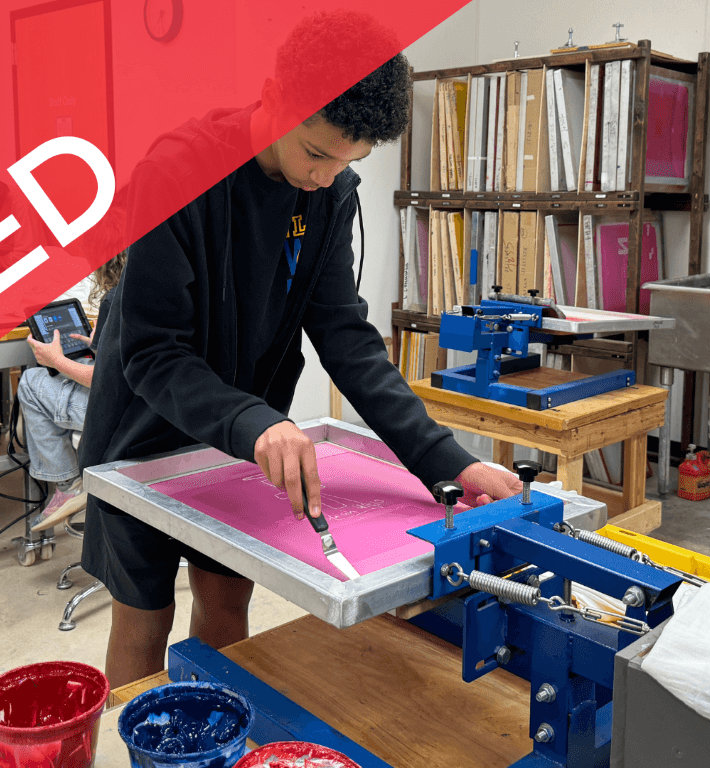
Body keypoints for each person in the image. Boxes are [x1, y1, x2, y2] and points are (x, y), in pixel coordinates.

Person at [79, 11, 523, 689]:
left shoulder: (330, 193)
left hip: (247, 435)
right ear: (274, 98)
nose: (326, 177)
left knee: (227, 598)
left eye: (349, 162)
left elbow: (345, 337)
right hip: (143, 427)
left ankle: (224, 741)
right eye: (316, 153)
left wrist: (448, 461)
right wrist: (255, 421)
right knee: (144, 615)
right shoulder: (177, 170)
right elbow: (151, 353)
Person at [21, 252, 125, 533]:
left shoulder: (115, 299)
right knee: (79, 360)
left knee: (31, 381)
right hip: (159, 412)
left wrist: (57, 361)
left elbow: (103, 378)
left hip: (123, 414)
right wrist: (100, 344)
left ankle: (68, 485)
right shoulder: (157, 291)